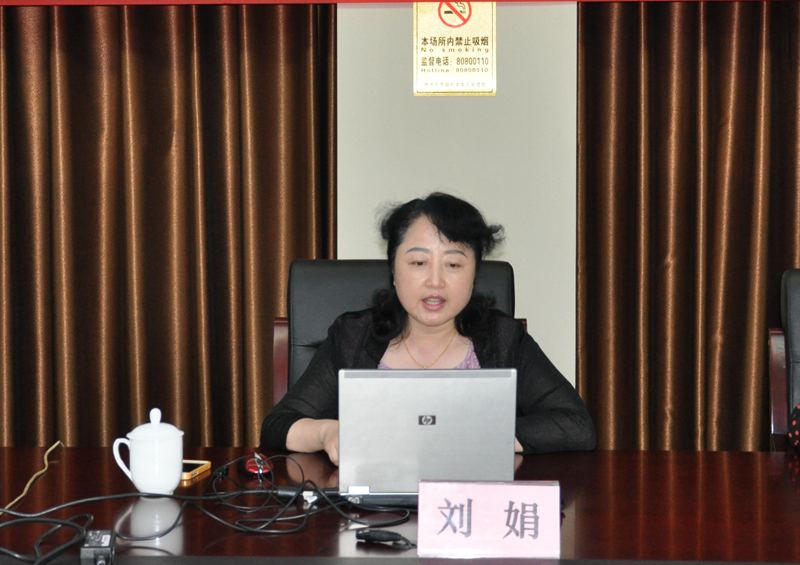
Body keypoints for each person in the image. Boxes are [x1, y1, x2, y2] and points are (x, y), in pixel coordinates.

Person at [260, 192, 596, 464]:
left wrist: (488, 438)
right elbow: (277, 426)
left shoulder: (502, 337)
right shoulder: (353, 335)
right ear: (394, 271)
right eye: (419, 262)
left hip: (471, 510)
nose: (435, 282)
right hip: (370, 511)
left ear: (474, 274)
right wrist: (326, 433)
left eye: (453, 264)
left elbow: (577, 426)